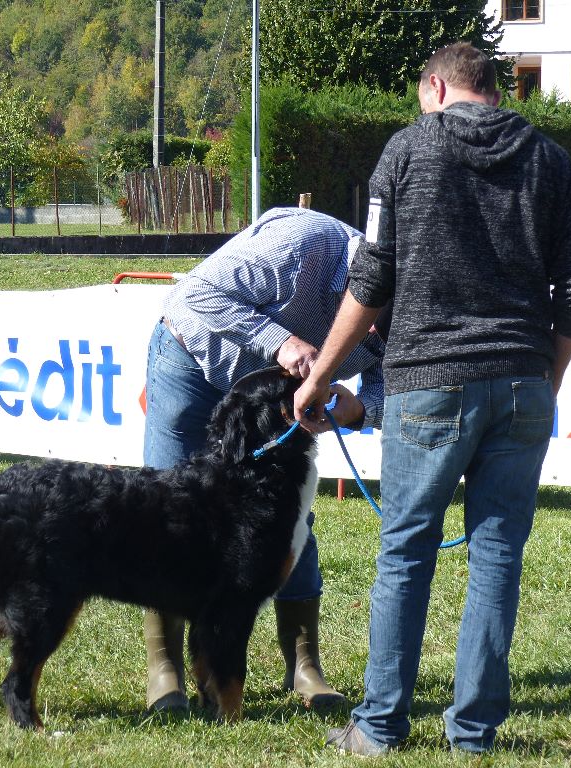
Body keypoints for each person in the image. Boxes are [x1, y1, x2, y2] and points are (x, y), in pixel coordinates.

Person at [294, 42, 571, 755]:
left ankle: (378, 728)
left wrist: (317, 378)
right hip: (522, 382)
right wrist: (544, 383)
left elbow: (371, 280)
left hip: (428, 381)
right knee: (497, 557)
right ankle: (473, 735)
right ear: (492, 88)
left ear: (435, 86)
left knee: (405, 555)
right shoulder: (550, 159)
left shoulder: (406, 151)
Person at [142, 206, 386, 713]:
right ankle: (165, 672)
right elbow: (195, 296)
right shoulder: (302, 244)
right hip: (195, 361)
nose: (372, 334)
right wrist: (283, 343)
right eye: (367, 313)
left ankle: (304, 667)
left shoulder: (412, 302)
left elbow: (392, 379)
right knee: (169, 518)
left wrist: (360, 407)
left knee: (285, 518)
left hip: (275, 407)